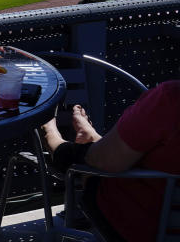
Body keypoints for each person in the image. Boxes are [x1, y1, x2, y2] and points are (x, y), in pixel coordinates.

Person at [42, 80, 180, 242]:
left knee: (80, 160)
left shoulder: (170, 99)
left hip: (138, 226)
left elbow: (101, 161)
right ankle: (91, 138)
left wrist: (87, 151)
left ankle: (50, 132)